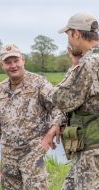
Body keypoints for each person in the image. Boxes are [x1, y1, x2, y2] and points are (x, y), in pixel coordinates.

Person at [0, 44, 65, 189]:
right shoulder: (0, 89)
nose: (13, 65)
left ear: (23, 60)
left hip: (33, 153)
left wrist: (49, 136)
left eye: (16, 60)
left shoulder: (39, 83)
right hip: (8, 155)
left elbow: (59, 107)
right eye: (8, 62)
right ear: (2, 65)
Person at [42, 12, 99, 190]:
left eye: (68, 35)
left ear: (76, 33)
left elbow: (63, 99)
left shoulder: (89, 63)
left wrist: (45, 88)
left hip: (92, 148)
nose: (69, 40)